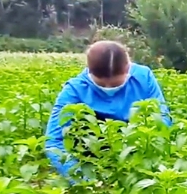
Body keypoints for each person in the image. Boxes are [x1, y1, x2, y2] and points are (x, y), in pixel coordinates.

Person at [45, 40, 172, 178]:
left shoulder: (143, 77)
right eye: (100, 83)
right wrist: (82, 179)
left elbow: (163, 118)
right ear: (89, 71)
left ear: (128, 68)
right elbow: (54, 141)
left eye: (116, 83)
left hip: (135, 152)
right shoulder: (75, 89)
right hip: (91, 157)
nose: (108, 88)